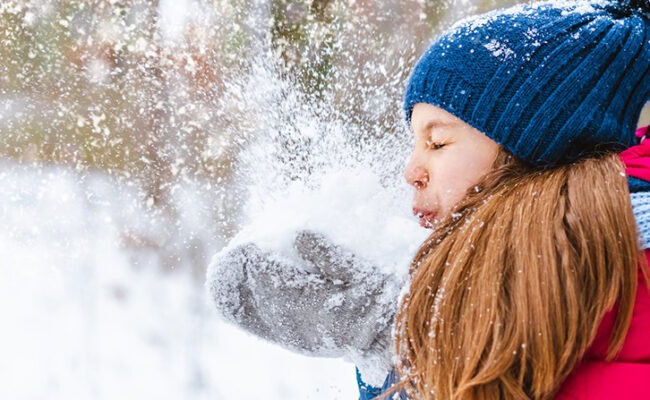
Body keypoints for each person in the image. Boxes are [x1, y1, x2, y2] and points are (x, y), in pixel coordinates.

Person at [206, 0, 650, 398]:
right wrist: (401, 346)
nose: (411, 172)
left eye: (437, 144)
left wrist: (410, 339)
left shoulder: (620, 271)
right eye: (414, 145)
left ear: (533, 146)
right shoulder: (491, 273)